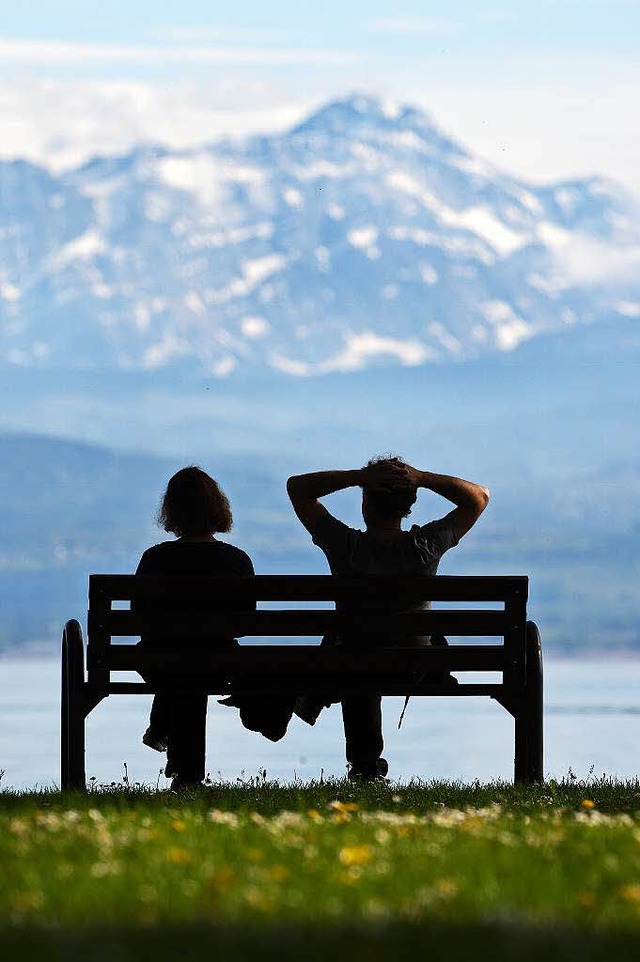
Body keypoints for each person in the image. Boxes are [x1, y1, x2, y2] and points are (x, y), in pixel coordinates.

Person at [286, 456, 490, 781]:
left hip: (355, 664)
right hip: (414, 667)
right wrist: (422, 477)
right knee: (365, 647)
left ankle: (364, 765)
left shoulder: (344, 545)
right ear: (409, 504)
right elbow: (479, 498)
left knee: (352, 650)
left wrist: (358, 476)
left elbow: (297, 488)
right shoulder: (425, 546)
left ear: (365, 502)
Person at [136, 466, 254, 789]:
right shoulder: (236, 561)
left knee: (179, 664)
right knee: (195, 663)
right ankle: (184, 772)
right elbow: (245, 623)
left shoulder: (154, 559)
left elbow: (139, 617)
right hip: (219, 663)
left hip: (162, 662)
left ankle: (177, 758)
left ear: (172, 512)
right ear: (217, 508)